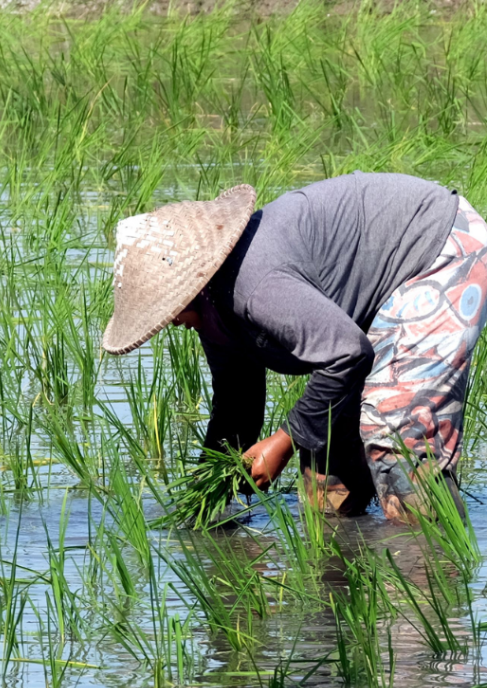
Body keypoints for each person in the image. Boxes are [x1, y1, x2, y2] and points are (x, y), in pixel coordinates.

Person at [101, 172, 487, 522]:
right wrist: (211, 492)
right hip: (376, 301)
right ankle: (342, 588)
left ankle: (431, 575)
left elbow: (346, 354)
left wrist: (283, 441)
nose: (168, 321)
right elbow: (237, 404)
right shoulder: (214, 306)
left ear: (191, 285)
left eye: (166, 309)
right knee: (324, 475)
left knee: (394, 432)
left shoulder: (255, 285)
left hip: (439, 248)